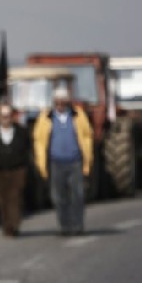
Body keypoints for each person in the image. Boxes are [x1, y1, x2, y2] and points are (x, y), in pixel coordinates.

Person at [33, 85, 93, 236]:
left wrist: (87, 159)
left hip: (75, 161)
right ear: (54, 101)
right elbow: (39, 141)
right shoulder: (45, 118)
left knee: (77, 195)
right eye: (57, 101)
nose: (60, 104)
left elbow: (87, 136)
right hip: (55, 162)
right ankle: (64, 225)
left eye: (63, 101)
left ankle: (78, 225)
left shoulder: (78, 116)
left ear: (67, 101)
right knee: (58, 196)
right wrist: (41, 163)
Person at [0, 103, 30, 236]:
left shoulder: (21, 132)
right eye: (3, 117)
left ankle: (14, 225)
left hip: (17, 170)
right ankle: (6, 224)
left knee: (14, 198)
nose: (6, 119)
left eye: (8, 116)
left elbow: (26, 149)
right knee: (1, 200)